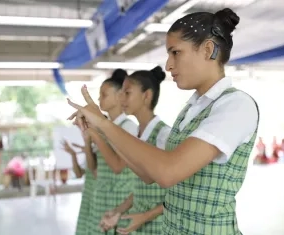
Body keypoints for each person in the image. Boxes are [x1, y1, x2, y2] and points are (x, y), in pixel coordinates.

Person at [67, 8, 259, 235]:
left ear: (208, 50)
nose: (168, 65)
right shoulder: (191, 109)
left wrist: (104, 124)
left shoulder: (236, 105)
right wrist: (101, 128)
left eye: (175, 53)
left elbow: (168, 172)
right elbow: (149, 175)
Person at [99, 66, 171, 235]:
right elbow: (141, 189)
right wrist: (119, 211)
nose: (121, 98)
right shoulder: (138, 135)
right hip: (139, 225)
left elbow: (179, 195)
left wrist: (145, 216)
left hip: (159, 226)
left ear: (146, 96)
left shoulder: (164, 136)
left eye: (127, 93)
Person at [82, 69, 138, 235]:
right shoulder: (103, 127)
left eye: (104, 94)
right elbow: (93, 169)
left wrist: (96, 134)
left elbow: (118, 167)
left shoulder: (128, 127)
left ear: (119, 96)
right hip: (101, 198)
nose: (99, 99)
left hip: (120, 199)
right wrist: (87, 137)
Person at [61, 138, 96, 235]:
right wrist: (73, 154)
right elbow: (79, 174)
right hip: (88, 196)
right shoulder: (91, 148)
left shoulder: (98, 149)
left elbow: (93, 170)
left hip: (99, 196)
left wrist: (88, 149)